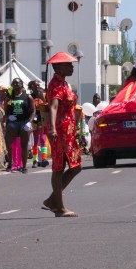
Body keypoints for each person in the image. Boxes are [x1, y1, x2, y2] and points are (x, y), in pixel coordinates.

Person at [42, 52, 83, 218]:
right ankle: (59, 207)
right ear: (59, 67)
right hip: (60, 131)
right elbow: (53, 106)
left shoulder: (64, 83)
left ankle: (53, 200)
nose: (72, 67)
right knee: (59, 167)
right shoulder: (57, 85)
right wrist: (52, 128)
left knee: (76, 166)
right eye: (68, 65)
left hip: (68, 131)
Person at [4, 78, 34, 174]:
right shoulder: (10, 98)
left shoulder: (27, 97)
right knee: (7, 142)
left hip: (24, 122)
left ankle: (24, 166)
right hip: (13, 123)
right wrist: (9, 116)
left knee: (24, 145)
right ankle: (10, 162)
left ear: (21, 84)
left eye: (18, 83)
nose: (16, 84)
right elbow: (6, 111)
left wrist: (30, 122)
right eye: (14, 83)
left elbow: (33, 111)